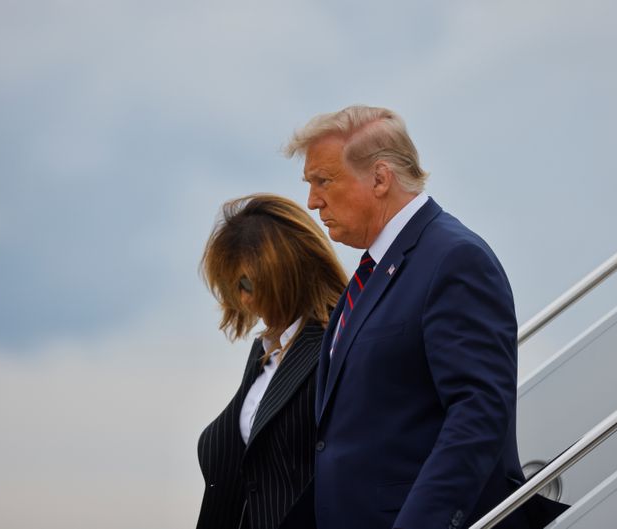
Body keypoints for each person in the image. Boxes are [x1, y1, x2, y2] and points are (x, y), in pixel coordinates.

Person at [284, 106, 568, 529]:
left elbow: (479, 412)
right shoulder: (368, 277)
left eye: (323, 180)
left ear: (380, 178)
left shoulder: (454, 258)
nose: (311, 201)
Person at [196, 193, 347, 529]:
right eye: (234, 286)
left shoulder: (341, 343)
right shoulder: (264, 353)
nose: (242, 298)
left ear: (284, 271)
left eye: (246, 283)